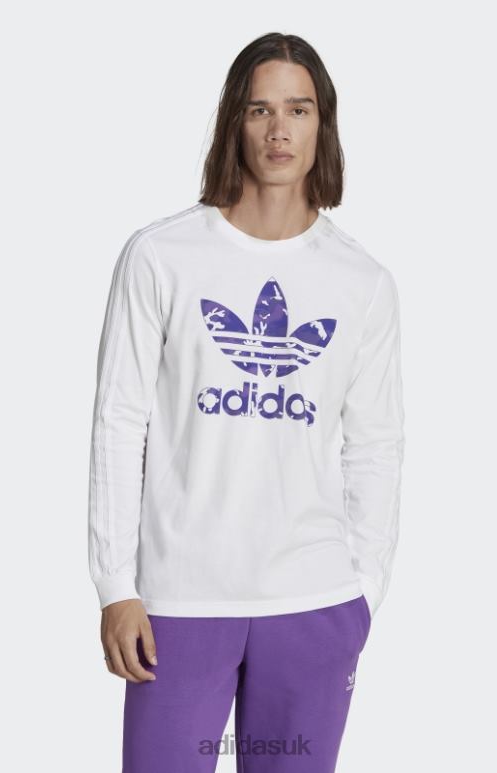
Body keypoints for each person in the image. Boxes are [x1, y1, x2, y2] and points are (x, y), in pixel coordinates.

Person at [88, 32, 406, 773]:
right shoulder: (161, 256)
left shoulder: (361, 281)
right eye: (260, 109)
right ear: (234, 119)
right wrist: (115, 585)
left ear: (322, 123)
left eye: (298, 109)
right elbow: (118, 423)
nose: (278, 130)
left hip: (312, 605)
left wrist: (364, 591)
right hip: (179, 603)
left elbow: (376, 445)